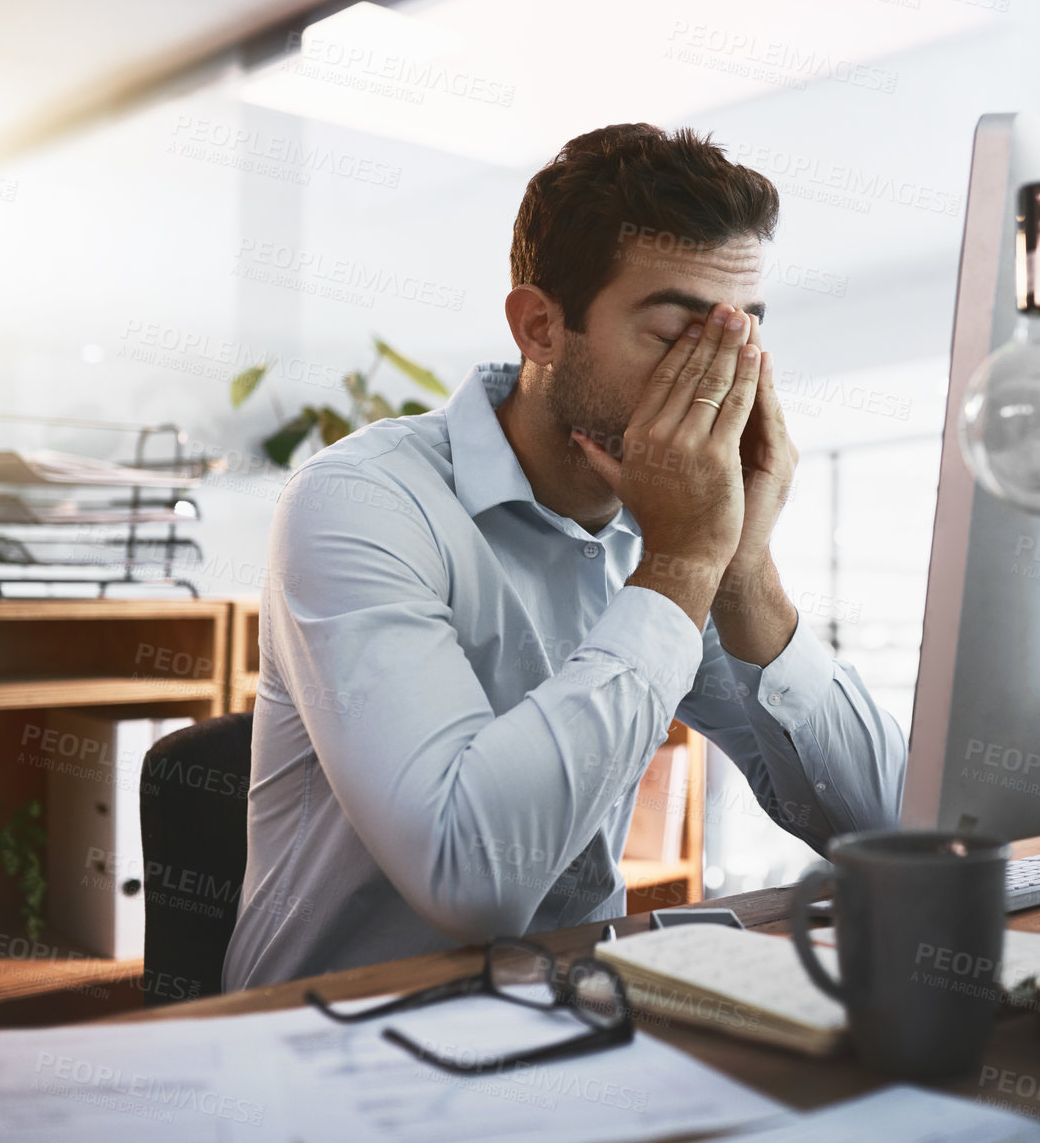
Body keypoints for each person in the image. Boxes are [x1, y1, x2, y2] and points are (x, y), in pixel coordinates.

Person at [221, 123, 906, 990]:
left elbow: (885, 829)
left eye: (741, 341)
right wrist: (686, 564)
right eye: (674, 337)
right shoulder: (359, 501)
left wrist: (742, 567)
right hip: (332, 1042)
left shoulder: (662, 528)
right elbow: (470, 882)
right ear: (541, 327)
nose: (720, 381)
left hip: (574, 1016)